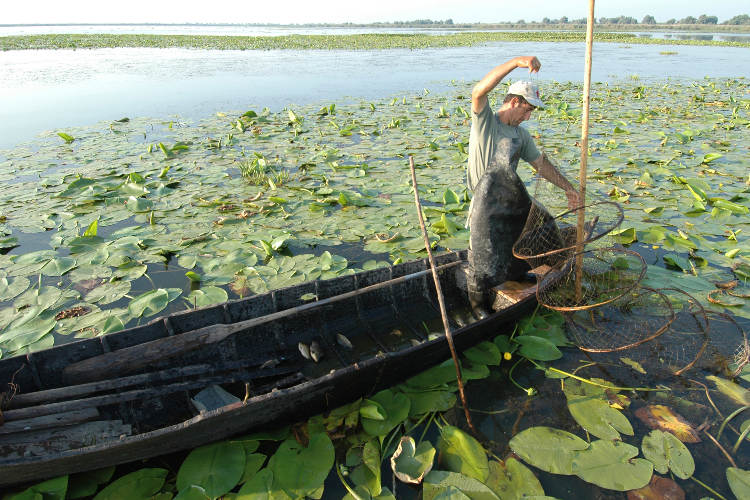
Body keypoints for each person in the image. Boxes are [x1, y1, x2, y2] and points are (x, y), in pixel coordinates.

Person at [466, 56, 580, 318]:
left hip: (510, 202)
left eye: (531, 112)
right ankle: (478, 309)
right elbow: (478, 92)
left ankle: (518, 279)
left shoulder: (521, 135)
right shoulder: (487, 123)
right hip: (485, 206)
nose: (528, 117)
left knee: (533, 233)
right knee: (483, 261)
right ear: (514, 101)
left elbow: (541, 164)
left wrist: (568, 188)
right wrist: (516, 62)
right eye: (526, 110)